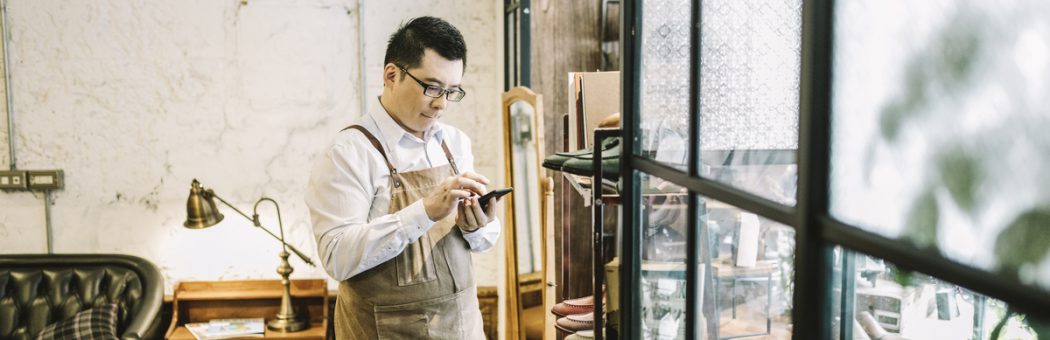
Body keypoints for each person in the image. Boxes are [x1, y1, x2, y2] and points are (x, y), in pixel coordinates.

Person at [305, 16, 501, 340]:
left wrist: (476, 225)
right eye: (431, 87)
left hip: (462, 326)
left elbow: (483, 242)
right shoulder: (348, 153)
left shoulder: (455, 143)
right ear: (391, 75)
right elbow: (336, 257)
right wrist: (424, 212)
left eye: (451, 91)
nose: (441, 104)